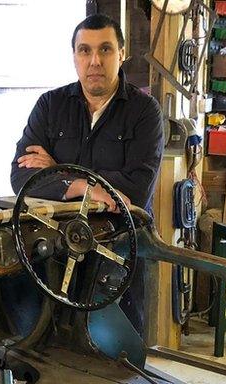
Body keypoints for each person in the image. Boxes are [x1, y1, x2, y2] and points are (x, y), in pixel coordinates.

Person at [10, 13, 164, 334]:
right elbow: (21, 179)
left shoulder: (144, 112)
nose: (95, 60)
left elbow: (135, 191)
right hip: (57, 247)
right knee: (51, 345)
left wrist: (55, 171)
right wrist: (83, 186)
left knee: (121, 352)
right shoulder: (50, 106)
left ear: (122, 55)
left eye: (105, 50)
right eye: (85, 51)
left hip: (120, 249)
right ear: (75, 57)